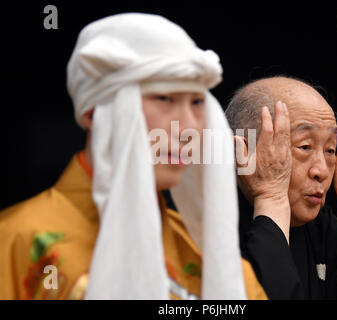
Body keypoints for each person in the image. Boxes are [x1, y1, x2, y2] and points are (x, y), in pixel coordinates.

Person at [0, 13, 267, 300]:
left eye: (198, 102)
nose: (188, 128)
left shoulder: (221, 267)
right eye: (164, 99)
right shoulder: (15, 240)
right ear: (94, 113)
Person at [225, 76, 337, 300]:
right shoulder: (202, 224)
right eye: (305, 146)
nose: (321, 170)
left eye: (330, 150)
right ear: (242, 153)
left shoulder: (321, 227)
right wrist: (270, 197)